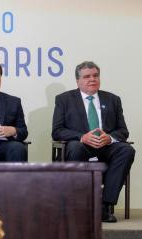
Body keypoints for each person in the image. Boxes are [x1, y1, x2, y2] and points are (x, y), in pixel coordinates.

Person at [52, 61, 135, 223]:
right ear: (78, 81)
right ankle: (78, 205)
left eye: (95, 76)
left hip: (106, 148)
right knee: (75, 147)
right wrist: (82, 137)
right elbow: (57, 131)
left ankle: (105, 206)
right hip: (80, 146)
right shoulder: (64, 99)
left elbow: (123, 131)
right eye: (87, 76)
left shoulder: (112, 99)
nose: (92, 79)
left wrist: (109, 138)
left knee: (126, 150)